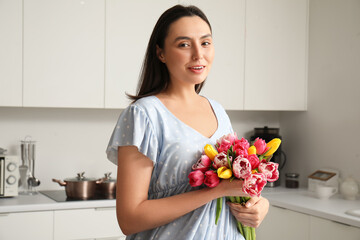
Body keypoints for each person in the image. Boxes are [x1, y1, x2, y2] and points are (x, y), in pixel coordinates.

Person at [106, 5, 269, 240]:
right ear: (160, 53)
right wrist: (217, 191)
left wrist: (259, 205)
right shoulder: (144, 115)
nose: (198, 54)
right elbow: (130, 219)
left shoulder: (218, 111)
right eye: (184, 44)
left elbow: (235, 188)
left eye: (205, 43)